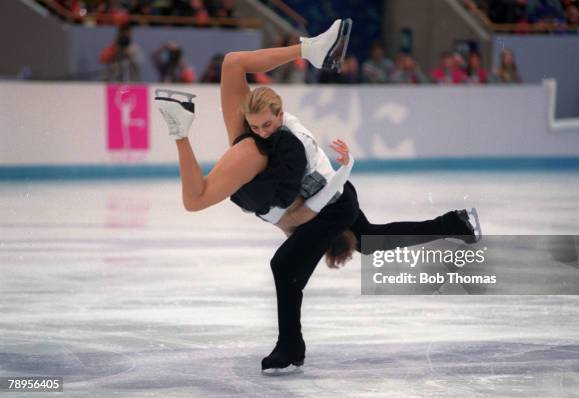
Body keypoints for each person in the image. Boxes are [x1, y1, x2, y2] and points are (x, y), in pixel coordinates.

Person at [154, 19, 481, 373]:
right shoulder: (263, 131)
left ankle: (291, 345)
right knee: (368, 241)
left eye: (266, 124)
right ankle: (455, 223)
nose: (261, 130)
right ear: (253, 118)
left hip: (333, 204)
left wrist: (181, 135)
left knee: (285, 265)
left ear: (278, 114)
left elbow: (200, 201)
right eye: (256, 125)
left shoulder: (264, 153)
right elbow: (237, 69)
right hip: (335, 196)